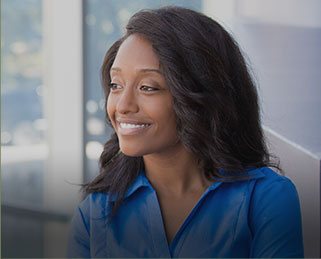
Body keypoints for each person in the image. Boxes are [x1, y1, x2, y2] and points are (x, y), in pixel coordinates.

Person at [67, 6, 304, 258]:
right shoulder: (96, 212)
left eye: (148, 87)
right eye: (116, 85)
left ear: (201, 96)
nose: (123, 105)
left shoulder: (265, 199)